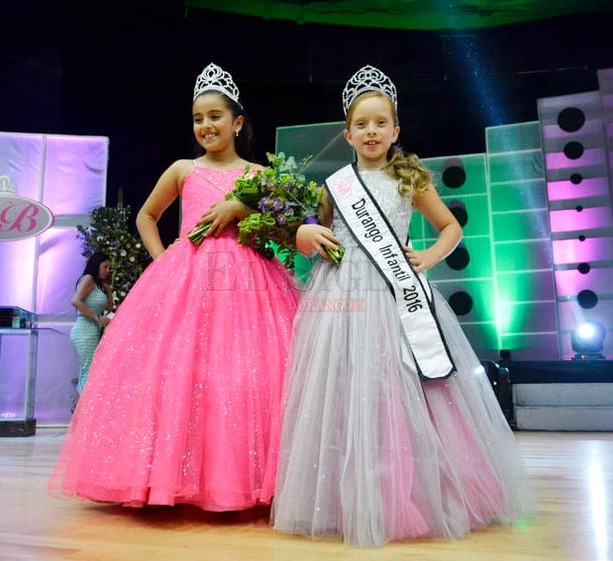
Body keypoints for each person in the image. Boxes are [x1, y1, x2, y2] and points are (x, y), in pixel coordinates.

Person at [272, 65, 536, 547]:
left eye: (380, 123)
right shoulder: (334, 185)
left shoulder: (409, 177)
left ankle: (411, 493)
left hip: (398, 295)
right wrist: (306, 234)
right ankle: (345, 497)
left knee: (402, 386)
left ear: (396, 129)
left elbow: (450, 228)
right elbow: (319, 236)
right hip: (342, 295)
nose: (371, 132)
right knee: (347, 390)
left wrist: (429, 257)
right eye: (361, 124)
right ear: (347, 132)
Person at [48, 63, 299, 511]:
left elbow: (278, 232)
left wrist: (242, 211)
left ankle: (246, 477)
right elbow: (146, 215)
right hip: (189, 277)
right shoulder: (183, 169)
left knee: (243, 374)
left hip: (247, 282)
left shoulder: (261, 176)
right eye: (199, 118)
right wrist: (167, 259)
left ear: (238, 122)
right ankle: (174, 477)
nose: (206, 125)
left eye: (216, 116)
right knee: (182, 373)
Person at [69, 252, 113, 396]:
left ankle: (81, 412)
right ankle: (82, 412)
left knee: (88, 371)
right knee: (88, 372)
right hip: (85, 330)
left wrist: (108, 291)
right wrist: (97, 317)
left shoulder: (99, 285)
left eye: (109, 268)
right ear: (96, 265)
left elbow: (109, 308)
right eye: (105, 267)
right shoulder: (88, 279)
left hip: (93, 330)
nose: (107, 271)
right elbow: (75, 301)